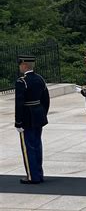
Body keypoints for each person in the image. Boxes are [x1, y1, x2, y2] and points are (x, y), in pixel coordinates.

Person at [14, 55, 50, 184]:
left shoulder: (21, 81)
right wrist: (42, 114)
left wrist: (18, 122)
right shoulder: (40, 79)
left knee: (28, 147)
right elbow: (46, 99)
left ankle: (32, 176)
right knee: (37, 145)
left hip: (27, 117)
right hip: (38, 115)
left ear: (24, 65)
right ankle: (39, 174)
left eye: (20, 65)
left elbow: (19, 104)